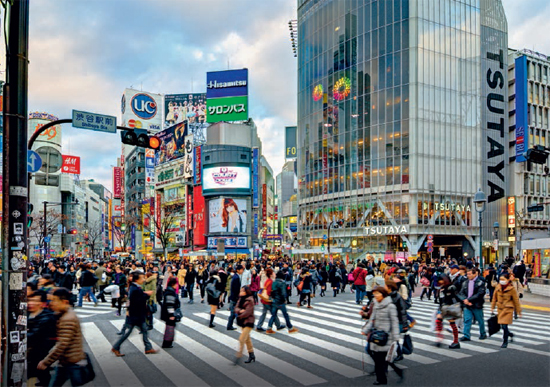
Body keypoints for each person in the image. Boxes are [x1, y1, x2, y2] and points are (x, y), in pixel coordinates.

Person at [37, 288, 86, 387]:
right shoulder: (64, 314)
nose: (52, 303)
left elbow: (62, 344)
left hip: (71, 361)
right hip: (67, 361)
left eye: (55, 300)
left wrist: (46, 362)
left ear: (65, 302)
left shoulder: (68, 319)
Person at [361, 286, 403, 385]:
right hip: (376, 335)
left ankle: (383, 377)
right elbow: (372, 319)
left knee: (382, 359)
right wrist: (365, 330)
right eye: (374, 294)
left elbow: (395, 322)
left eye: (377, 294)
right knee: (378, 359)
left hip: (386, 337)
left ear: (383, 294)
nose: (375, 296)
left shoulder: (390, 306)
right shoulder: (375, 304)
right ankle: (382, 378)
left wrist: (396, 338)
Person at [112, 272, 158, 356]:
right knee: (128, 333)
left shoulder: (135, 287)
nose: (144, 279)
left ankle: (148, 348)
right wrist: (147, 294)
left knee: (144, 331)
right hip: (136, 315)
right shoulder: (135, 289)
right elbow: (138, 300)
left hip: (138, 314)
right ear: (137, 279)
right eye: (142, 278)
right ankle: (116, 347)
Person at [28, 290, 57, 387]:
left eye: (36, 301)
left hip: (41, 347)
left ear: (42, 303)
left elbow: (35, 334)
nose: (31, 303)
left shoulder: (46, 317)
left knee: (35, 367)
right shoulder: (28, 314)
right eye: (30, 300)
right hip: (33, 348)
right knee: (39, 369)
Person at [491, 272, 522, 348]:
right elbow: (494, 298)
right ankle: (510, 334)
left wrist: (518, 311)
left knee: (504, 325)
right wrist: (492, 307)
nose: (501, 281)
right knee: (502, 325)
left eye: (503, 279)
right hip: (500, 308)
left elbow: (516, 300)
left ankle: (505, 341)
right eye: (500, 279)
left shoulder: (512, 289)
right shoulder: (498, 287)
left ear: (508, 280)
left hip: (508, 309)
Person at [434, 274, 462, 349]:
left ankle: (456, 341)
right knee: (438, 321)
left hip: (450, 307)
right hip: (444, 307)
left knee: (452, 323)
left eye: (440, 280)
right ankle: (440, 337)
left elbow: (456, 297)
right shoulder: (442, 288)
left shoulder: (451, 287)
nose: (439, 282)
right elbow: (441, 299)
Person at [459, 268, 487, 342]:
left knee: (480, 320)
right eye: (467, 274)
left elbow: (480, 294)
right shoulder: (465, 282)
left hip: (476, 304)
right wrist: (465, 300)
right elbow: (461, 292)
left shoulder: (480, 282)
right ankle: (466, 335)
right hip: (467, 304)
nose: (468, 276)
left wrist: (469, 300)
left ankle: (483, 333)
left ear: (475, 274)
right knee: (467, 319)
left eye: (470, 274)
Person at [234, 286, 256, 364]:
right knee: (247, 339)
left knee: (242, 338)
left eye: (242, 291)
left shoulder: (250, 300)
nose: (240, 292)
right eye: (240, 291)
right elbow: (236, 308)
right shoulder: (240, 299)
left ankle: (238, 355)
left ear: (246, 292)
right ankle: (251, 354)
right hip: (242, 321)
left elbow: (248, 312)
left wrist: (239, 314)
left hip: (248, 321)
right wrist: (240, 311)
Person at [160, 277, 181, 348]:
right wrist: (171, 314)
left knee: (170, 327)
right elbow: (170, 304)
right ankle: (167, 343)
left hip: (167, 313)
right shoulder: (170, 292)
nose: (177, 286)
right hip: (169, 313)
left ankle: (167, 342)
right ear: (173, 284)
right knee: (170, 327)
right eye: (176, 284)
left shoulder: (169, 291)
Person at [227, 265, 244, 331]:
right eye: (242, 270)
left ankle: (230, 325)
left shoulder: (235, 277)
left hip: (233, 296)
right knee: (233, 312)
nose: (242, 271)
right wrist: (238, 297)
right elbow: (236, 289)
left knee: (233, 312)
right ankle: (230, 325)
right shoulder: (236, 278)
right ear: (238, 270)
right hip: (234, 297)